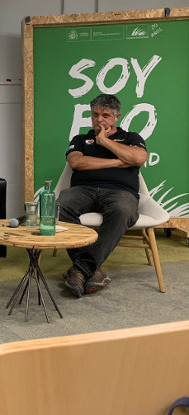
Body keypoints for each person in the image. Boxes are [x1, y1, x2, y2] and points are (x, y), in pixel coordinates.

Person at [58, 93, 147, 297]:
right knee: (62, 204)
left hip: (120, 192)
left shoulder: (131, 137)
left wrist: (105, 142)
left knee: (123, 210)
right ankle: (92, 271)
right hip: (84, 190)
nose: (99, 119)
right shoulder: (80, 139)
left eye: (105, 115)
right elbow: (77, 163)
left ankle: (81, 270)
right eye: (95, 115)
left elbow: (139, 158)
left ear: (117, 117)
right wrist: (117, 162)